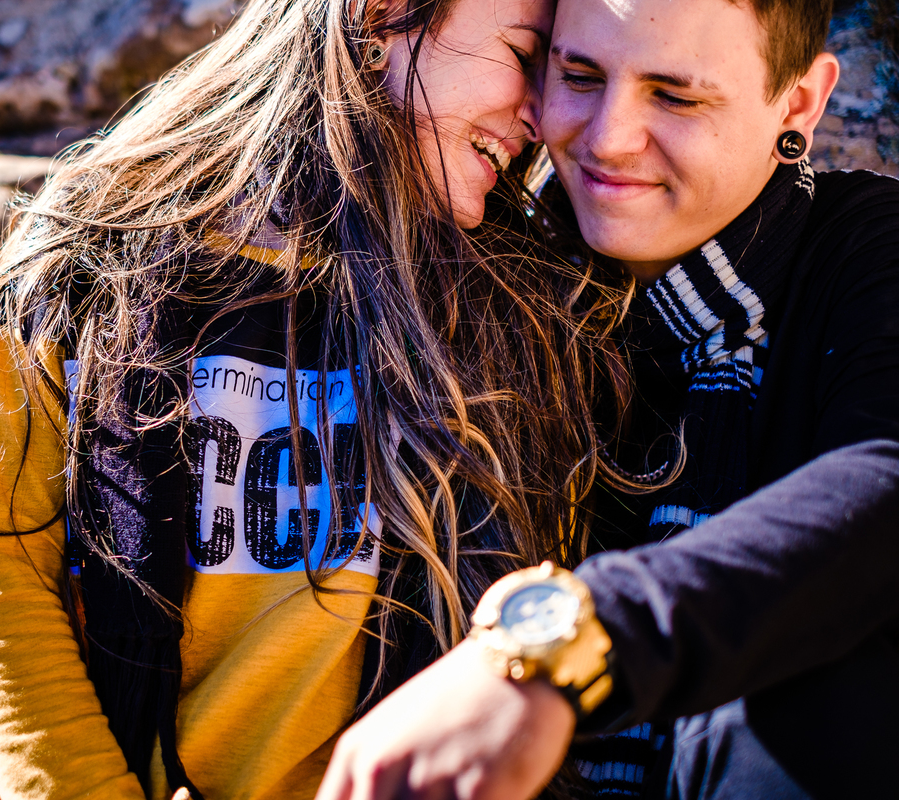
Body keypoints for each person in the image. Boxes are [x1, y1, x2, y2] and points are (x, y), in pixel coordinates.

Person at [0, 0, 631, 798]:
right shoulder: (86, 253)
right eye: (524, 56)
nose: (539, 114)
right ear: (381, 16)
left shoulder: (522, 312)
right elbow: (4, 578)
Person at [315, 0, 899, 797]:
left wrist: (569, 646)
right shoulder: (467, 273)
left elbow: (879, 485)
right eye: (580, 76)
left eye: (676, 96)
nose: (607, 138)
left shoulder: (867, 255)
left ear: (797, 102)